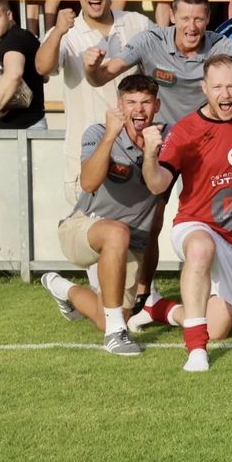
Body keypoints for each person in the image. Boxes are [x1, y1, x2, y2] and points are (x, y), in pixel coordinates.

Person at [140, 54, 232, 371]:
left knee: (219, 328)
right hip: (197, 224)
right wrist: (149, 155)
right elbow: (158, 185)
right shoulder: (186, 131)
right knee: (200, 249)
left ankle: (162, 308)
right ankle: (196, 351)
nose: (225, 95)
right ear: (204, 88)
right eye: (217, 87)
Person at [40, 75, 164, 355]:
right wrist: (110, 135)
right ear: (120, 105)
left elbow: (157, 187)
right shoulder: (97, 132)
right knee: (116, 231)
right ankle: (115, 335)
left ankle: (61, 287)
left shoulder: (164, 140)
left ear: (157, 105)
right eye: (131, 102)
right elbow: (88, 183)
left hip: (131, 241)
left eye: (146, 102)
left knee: (107, 313)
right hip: (83, 225)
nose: (139, 109)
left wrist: (151, 153)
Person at [34, 0, 152, 201]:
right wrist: (57, 31)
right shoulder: (67, 31)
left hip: (133, 150)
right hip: (85, 152)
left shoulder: (136, 22)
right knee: (89, 231)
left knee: (136, 234)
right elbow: (42, 67)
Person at [84, 0, 232, 125]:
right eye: (185, 18)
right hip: (157, 135)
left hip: (202, 134)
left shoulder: (222, 46)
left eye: (198, 19)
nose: (192, 27)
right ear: (172, 16)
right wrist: (91, 68)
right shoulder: (149, 41)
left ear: (208, 19)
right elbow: (100, 78)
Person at [0, 0, 45, 130]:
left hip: (23, 130)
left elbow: (14, 74)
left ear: (9, 15)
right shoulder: (24, 36)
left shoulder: (13, 39)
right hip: (28, 125)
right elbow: (45, 76)